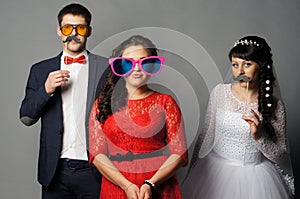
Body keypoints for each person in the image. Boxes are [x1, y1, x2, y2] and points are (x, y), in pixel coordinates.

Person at [181, 36, 294, 199]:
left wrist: (260, 137)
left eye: (247, 64)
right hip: (214, 173)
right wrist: (191, 172)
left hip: (256, 180)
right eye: (235, 64)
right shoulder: (220, 93)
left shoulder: (274, 106)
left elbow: (282, 156)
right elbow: (206, 135)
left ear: (261, 67)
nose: (239, 71)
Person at [19, 3, 107, 199]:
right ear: (59, 30)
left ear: (89, 31)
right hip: (55, 171)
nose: (73, 34)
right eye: (68, 28)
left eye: (80, 28)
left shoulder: (107, 68)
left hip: (95, 170)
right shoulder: (40, 70)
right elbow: (26, 117)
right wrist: (46, 89)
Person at [88, 35, 188, 199]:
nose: (136, 68)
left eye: (144, 62)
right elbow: (97, 155)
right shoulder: (102, 104)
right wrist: (126, 185)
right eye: (128, 62)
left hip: (158, 183)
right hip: (116, 183)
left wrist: (151, 184)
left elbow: (179, 153)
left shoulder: (165, 102)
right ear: (120, 66)